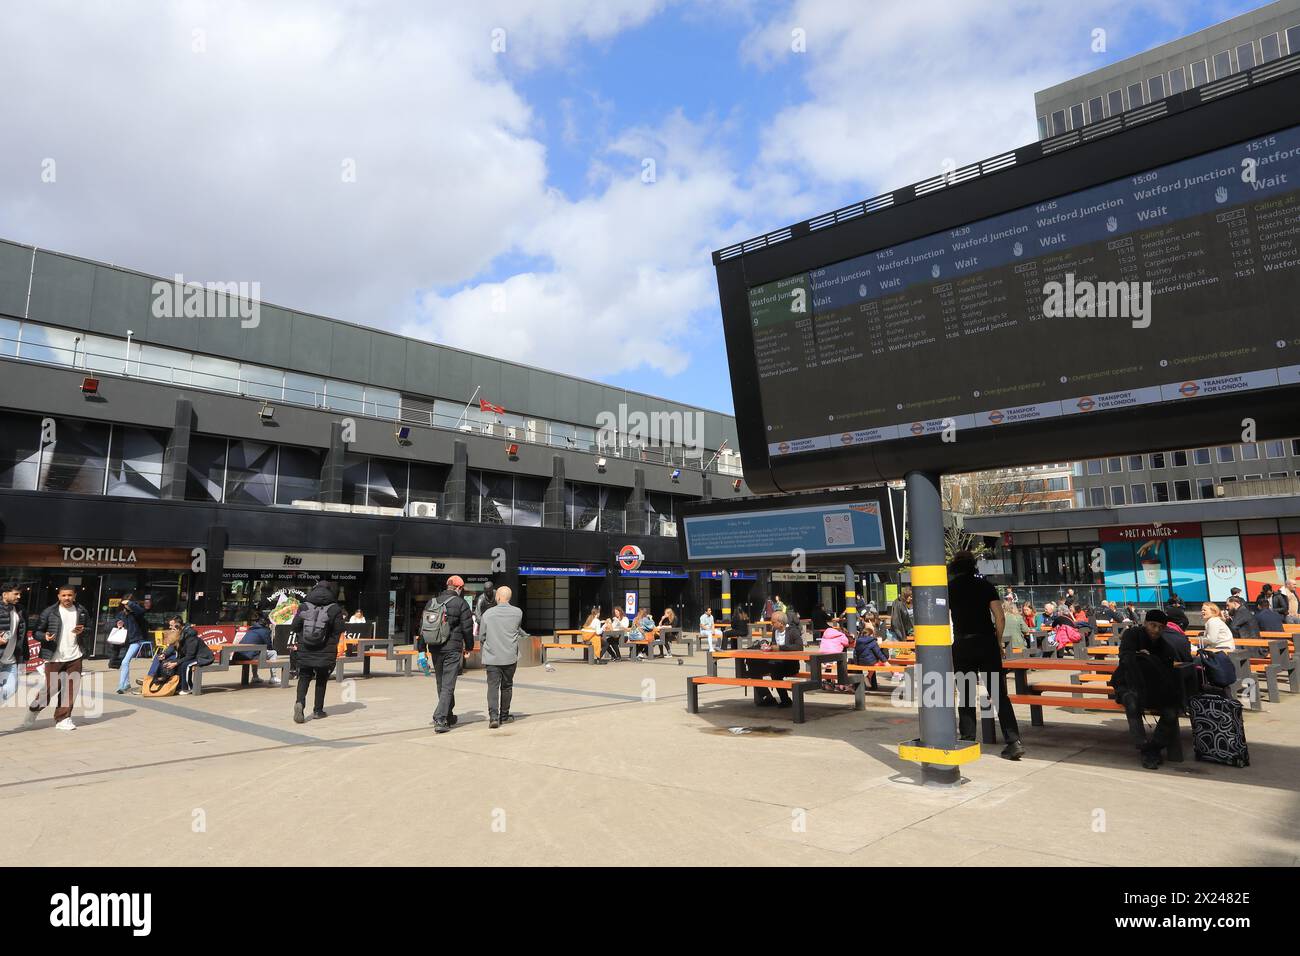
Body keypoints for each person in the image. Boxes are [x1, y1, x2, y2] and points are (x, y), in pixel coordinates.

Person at [947, 551, 1024, 760]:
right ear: (974, 565)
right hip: (986, 642)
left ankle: (967, 739)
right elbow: (999, 617)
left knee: (965, 693)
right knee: (999, 694)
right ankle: (1013, 741)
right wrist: (997, 641)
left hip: (963, 643)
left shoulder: (949, 589)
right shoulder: (986, 586)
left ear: (955, 566)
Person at [1112, 609, 1190, 769]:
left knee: (1171, 711)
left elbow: (1167, 668)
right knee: (1131, 702)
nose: (1156, 630)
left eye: (1160, 627)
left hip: (1154, 688)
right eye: (1153, 625)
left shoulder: (1165, 645)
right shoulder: (1132, 635)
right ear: (1146, 623)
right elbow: (1125, 657)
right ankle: (1142, 746)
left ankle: (1153, 747)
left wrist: (1147, 657)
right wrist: (1141, 657)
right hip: (1128, 683)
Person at [23, 585, 89, 731]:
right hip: (54, 657)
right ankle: (34, 709)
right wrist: (45, 636)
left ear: (75, 595)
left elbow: (89, 628)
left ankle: (63, 719)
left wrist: (83, 631)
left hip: (75, 655)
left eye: (70, 595)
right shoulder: (49, 612)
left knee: (71, 688)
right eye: (64, 595)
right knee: (51, 688)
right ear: (59, 596)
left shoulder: (82, 611)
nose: (67, 598)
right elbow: (36, 632)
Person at [423, 575, 474, 734]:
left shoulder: (432, 602)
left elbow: (422, 626)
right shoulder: (461, 603)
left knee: (441, 683)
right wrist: (469, 647)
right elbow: (467, 628)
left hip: (434, 647)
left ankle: (448, 715)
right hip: (452, 648)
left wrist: (420, 649)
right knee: (448, 684)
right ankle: (440, 718)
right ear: (459, 588)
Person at [290, 580, 344, 722]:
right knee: (321, 679)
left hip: (305, 649)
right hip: (325, 650)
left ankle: (300, 702)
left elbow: (295, 627)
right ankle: (318, 710)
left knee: (304, 676)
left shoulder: (304, 606)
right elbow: (339, 630)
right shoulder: (334, 608)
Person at [479, 586, 527, 729]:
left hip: (492, 657)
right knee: (507, 686)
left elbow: (482, 636)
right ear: (509, 598)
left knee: (492, 687)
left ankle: (493, 717)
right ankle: (504, 716)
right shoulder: (518, 612)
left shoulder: (488, 614)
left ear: (498, 597)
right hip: (510, 656)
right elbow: (516, 629)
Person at [745, 611, 802, 707]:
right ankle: (767, 697)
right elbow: (773, 646)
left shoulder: (793, 631)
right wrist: (767, 647)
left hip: (790, 665)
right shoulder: (775, 631)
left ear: (781, 622)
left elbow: (799, 647)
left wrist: (780, 648)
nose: (772, 625)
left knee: (775, 671)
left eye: (773, 622)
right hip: (776, 662)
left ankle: (785, 700)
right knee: (753, 667)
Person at [114, 592, 153, 694]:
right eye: (125, 603)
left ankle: (121, 686)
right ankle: (126, 683)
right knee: (124, 662)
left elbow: (141, 611)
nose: (126, 605)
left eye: (129, 603)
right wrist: (118, 623)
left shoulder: (136, 613)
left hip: (136, 640)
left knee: (125, 662)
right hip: (125, 641)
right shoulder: (121, 614)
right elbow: (117, 620)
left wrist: (130, 603)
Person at [169, 614, 215, 695]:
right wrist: (175, 661)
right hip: (194, 656)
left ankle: (188, 688)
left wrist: (177, 662)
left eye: (172, 626)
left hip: (203, 657)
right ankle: (179, 686)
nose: (170, 628)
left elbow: (190, 655)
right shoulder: (181, 635)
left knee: (186, 665)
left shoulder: (190, 636)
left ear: (178, 626)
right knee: (178, 663)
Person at [233, 613, 280, 685]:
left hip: (240, 655)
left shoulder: (251, 629)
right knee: (273, 653)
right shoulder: (264, 631)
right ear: (265, 623)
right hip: (249, 655)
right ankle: (273, 677)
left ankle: (255, 676)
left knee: (255, 652)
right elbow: (269, 646)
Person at [0, 582, 27, 708]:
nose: (19, 596)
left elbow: (21, 634)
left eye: (20, 594)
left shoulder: (20, 609)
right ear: (5, 594)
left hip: (11, 660)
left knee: (12, 688)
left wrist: (23, 655)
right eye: (16, 594)